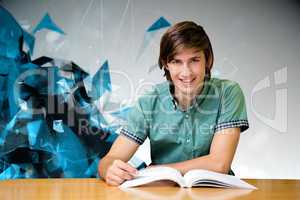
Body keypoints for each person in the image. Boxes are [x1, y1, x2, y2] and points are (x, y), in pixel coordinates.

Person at [98, 21, 249, 186]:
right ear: (166, 64)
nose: (187, 72)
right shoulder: (149, 102)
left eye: (194, 60)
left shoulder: (228, 93)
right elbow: (109, 160)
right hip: (163, 193)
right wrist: (109, 170)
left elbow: (219, 163)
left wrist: (158, 170)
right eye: (177, 61)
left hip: (215, 192)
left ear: (208, 59)